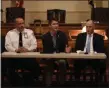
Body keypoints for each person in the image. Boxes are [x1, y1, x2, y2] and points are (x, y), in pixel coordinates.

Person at [5, 17, 40, 86]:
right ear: (15, 25)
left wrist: (28, 50)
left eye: (23, 23)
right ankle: (14, 83)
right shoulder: (10, 33)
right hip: (14, 58)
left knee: (35, 66)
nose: (22, 25)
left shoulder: (30, 32)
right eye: (19, 24)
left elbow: (34, 45)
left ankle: (31, 82)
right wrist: (16, 50)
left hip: (27, 57)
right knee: (7, 65)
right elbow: (7, 46)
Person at [41, 18, 71, 86]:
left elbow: (66, 47)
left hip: (60, 57)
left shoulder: (62, 35)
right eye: (54, 24)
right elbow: (47, 50)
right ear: (49, 26)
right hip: (50, 57)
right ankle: (48, 84)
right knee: (49, 63)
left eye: (57, 24)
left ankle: (62, 84)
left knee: (62, 62)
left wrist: (67, 50)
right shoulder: (45, 37)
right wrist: (54, 57)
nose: (56, 25)